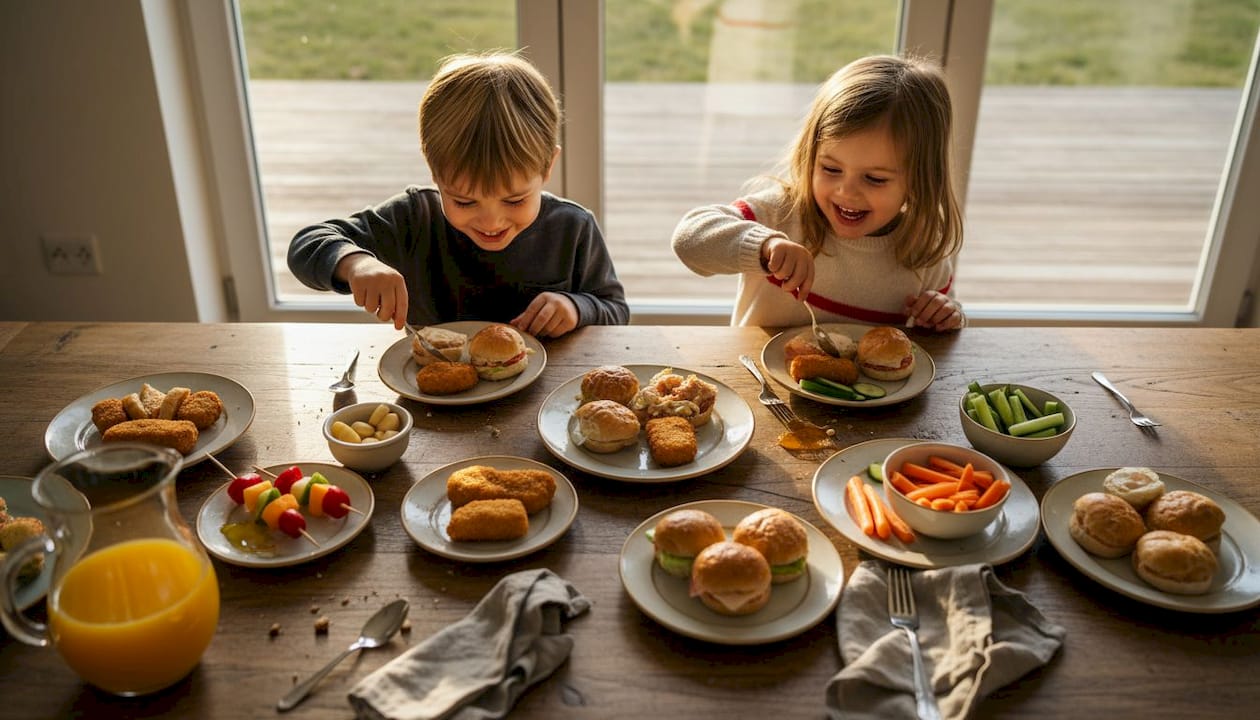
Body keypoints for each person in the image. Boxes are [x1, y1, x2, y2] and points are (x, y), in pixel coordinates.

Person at [288, 52, 629, 338]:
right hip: (435, 398)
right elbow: (306, 245)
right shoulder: (414, 219)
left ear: (547, 166)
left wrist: (576, 307)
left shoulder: (573, 228)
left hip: (547, 398)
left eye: (514, 200)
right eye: (464, 201)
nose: (491, 220)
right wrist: (356, 263)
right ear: (435, 173)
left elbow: (616, 311)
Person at [672, 54, 965, 331]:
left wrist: (945, 315)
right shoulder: (781, 214)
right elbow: (689, 239)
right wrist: (762, 246)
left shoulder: (924, 248)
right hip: (754, 379)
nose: (846, 191)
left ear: (920, 179)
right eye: (831, 169)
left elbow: (940, 330)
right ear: (810, 156)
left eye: (874, 179)